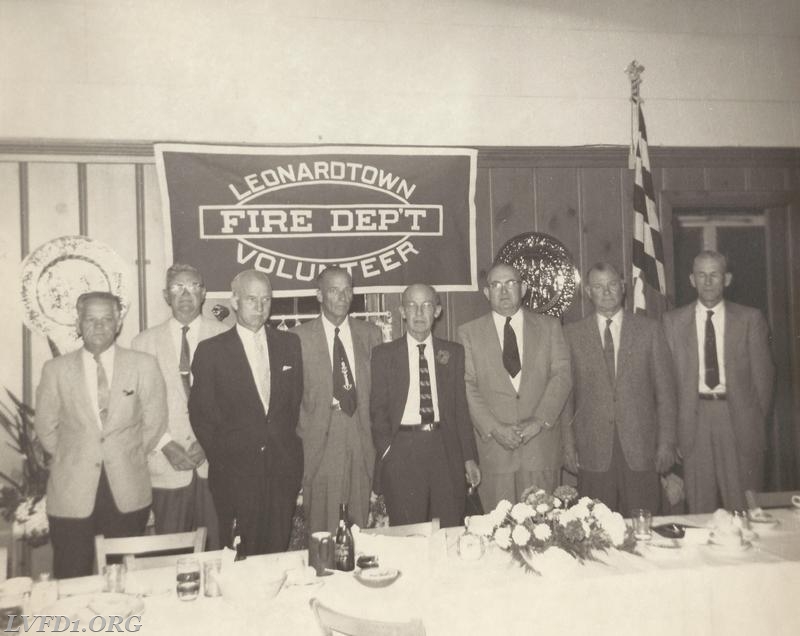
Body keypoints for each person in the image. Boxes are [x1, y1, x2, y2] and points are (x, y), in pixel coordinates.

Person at [35, 292, 167, 578]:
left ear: (118, 323)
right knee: (71, 575)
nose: (98, 326)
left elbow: (155, 422)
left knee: (124, 579)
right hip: (71, 491)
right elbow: (45, 428)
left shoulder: (143, 365)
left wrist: (126, 452)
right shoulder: (55, 370)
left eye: (106, 319)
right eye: (90, 319)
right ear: (79, 323)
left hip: (127, 489)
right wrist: (74, 457)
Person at [189, 270, 303, 555]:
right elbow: (201, 416)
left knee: (276, 553)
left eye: (266, 299)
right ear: (235, 301)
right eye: (252, 299)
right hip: (235, 475)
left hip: (281, 472)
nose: (260, 306)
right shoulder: (211, 351)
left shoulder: (289, 344)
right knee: (240, 558)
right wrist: (228, 458)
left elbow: (291, 405)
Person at [663, 250, 775, 513]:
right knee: (700, 508)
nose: (708, 281)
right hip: (693, 421)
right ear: (692, 279)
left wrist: (753, 425)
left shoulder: (750, 319)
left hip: (736, 419)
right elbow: (667, 386)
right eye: (701, 275)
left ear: (727, 279)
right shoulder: (672, 322)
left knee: (742, 508)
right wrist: (673, 432)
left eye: (714, 274)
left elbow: (764, 382)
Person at [562, 262, 677, 514]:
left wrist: (667, 443)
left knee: (642, 526)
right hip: (592, 450)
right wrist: (568, 446)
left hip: (641, 448)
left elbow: (666, 394)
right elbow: (566, 397)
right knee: (597, 530)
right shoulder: (572, 334)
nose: (606, 291)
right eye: (599, 286)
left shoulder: (650, 330)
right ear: (588, 292)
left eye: (612, 284)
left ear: (623, 287)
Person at [457, 263, 571, 510]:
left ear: (524, 288)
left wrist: (539, 421)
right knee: (497, 534)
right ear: (487, 293)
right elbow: (467, 385)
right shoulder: (468, 333)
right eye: (496, 285)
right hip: (494, 454)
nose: (504, 291)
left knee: (545, 532)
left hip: (540, 448)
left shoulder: (550, 327)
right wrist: (496, 429)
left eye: (511, 283)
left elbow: (562, 376)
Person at [131, 264, 227, 549]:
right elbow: (137, 406)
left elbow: (234, 402)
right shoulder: (143, 343)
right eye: (177, 287)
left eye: (194, 286)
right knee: (171, 555)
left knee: (216, 552)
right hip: (165, 466)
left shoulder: (226, 336)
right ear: (165, 295)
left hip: (215, 466)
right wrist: (164, 443)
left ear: (204, 293)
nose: (186, 294)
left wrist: (209, 442)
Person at [370, 284, 480, 528]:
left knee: (450, 528)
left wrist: (469, 457)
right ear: (402, 311)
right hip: (402, 450)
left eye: (427, 305)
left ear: (438, 311)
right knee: (409, 532)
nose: (419, 313)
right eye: (412, 305)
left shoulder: (453, 353)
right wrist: (388, 451)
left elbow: (460, 409)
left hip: (444, 447)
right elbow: (378, 410)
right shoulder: (384, 355)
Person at [291, 267, 383, 532]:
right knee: (322, 529)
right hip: (320, 440)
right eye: (334, 290)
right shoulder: (298, 338)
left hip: (360, 436)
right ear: (319, 295)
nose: (342, 297)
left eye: (347, 290)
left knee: (359, 528)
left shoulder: (370, 334)